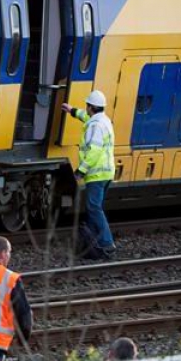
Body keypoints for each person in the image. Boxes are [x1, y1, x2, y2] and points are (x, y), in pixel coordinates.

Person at [62, 90, 116, 260]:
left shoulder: (96, 126)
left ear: (91, 107)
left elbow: (93, 151)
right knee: (93, 208)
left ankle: (107, 243)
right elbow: (85, 118)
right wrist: (72, 111)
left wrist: (80, 170)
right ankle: (94, 245)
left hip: (97, 174)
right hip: (106, 173)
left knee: (94, 208)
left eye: (87, 107)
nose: (85, 109)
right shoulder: (102, 120)